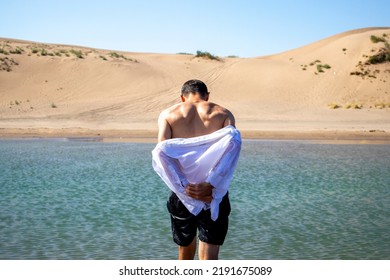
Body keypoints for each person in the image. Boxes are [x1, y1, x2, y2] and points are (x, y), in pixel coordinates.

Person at [152, 79, 241, 260]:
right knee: (209, 256)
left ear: (182, 98)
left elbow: (162, 155)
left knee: (185, 251)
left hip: (182, 194)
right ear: (207, 95)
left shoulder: (168, 114)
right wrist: (211, 184)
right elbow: (230, 153)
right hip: (214, 193)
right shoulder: (223, 113)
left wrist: (184, 188)